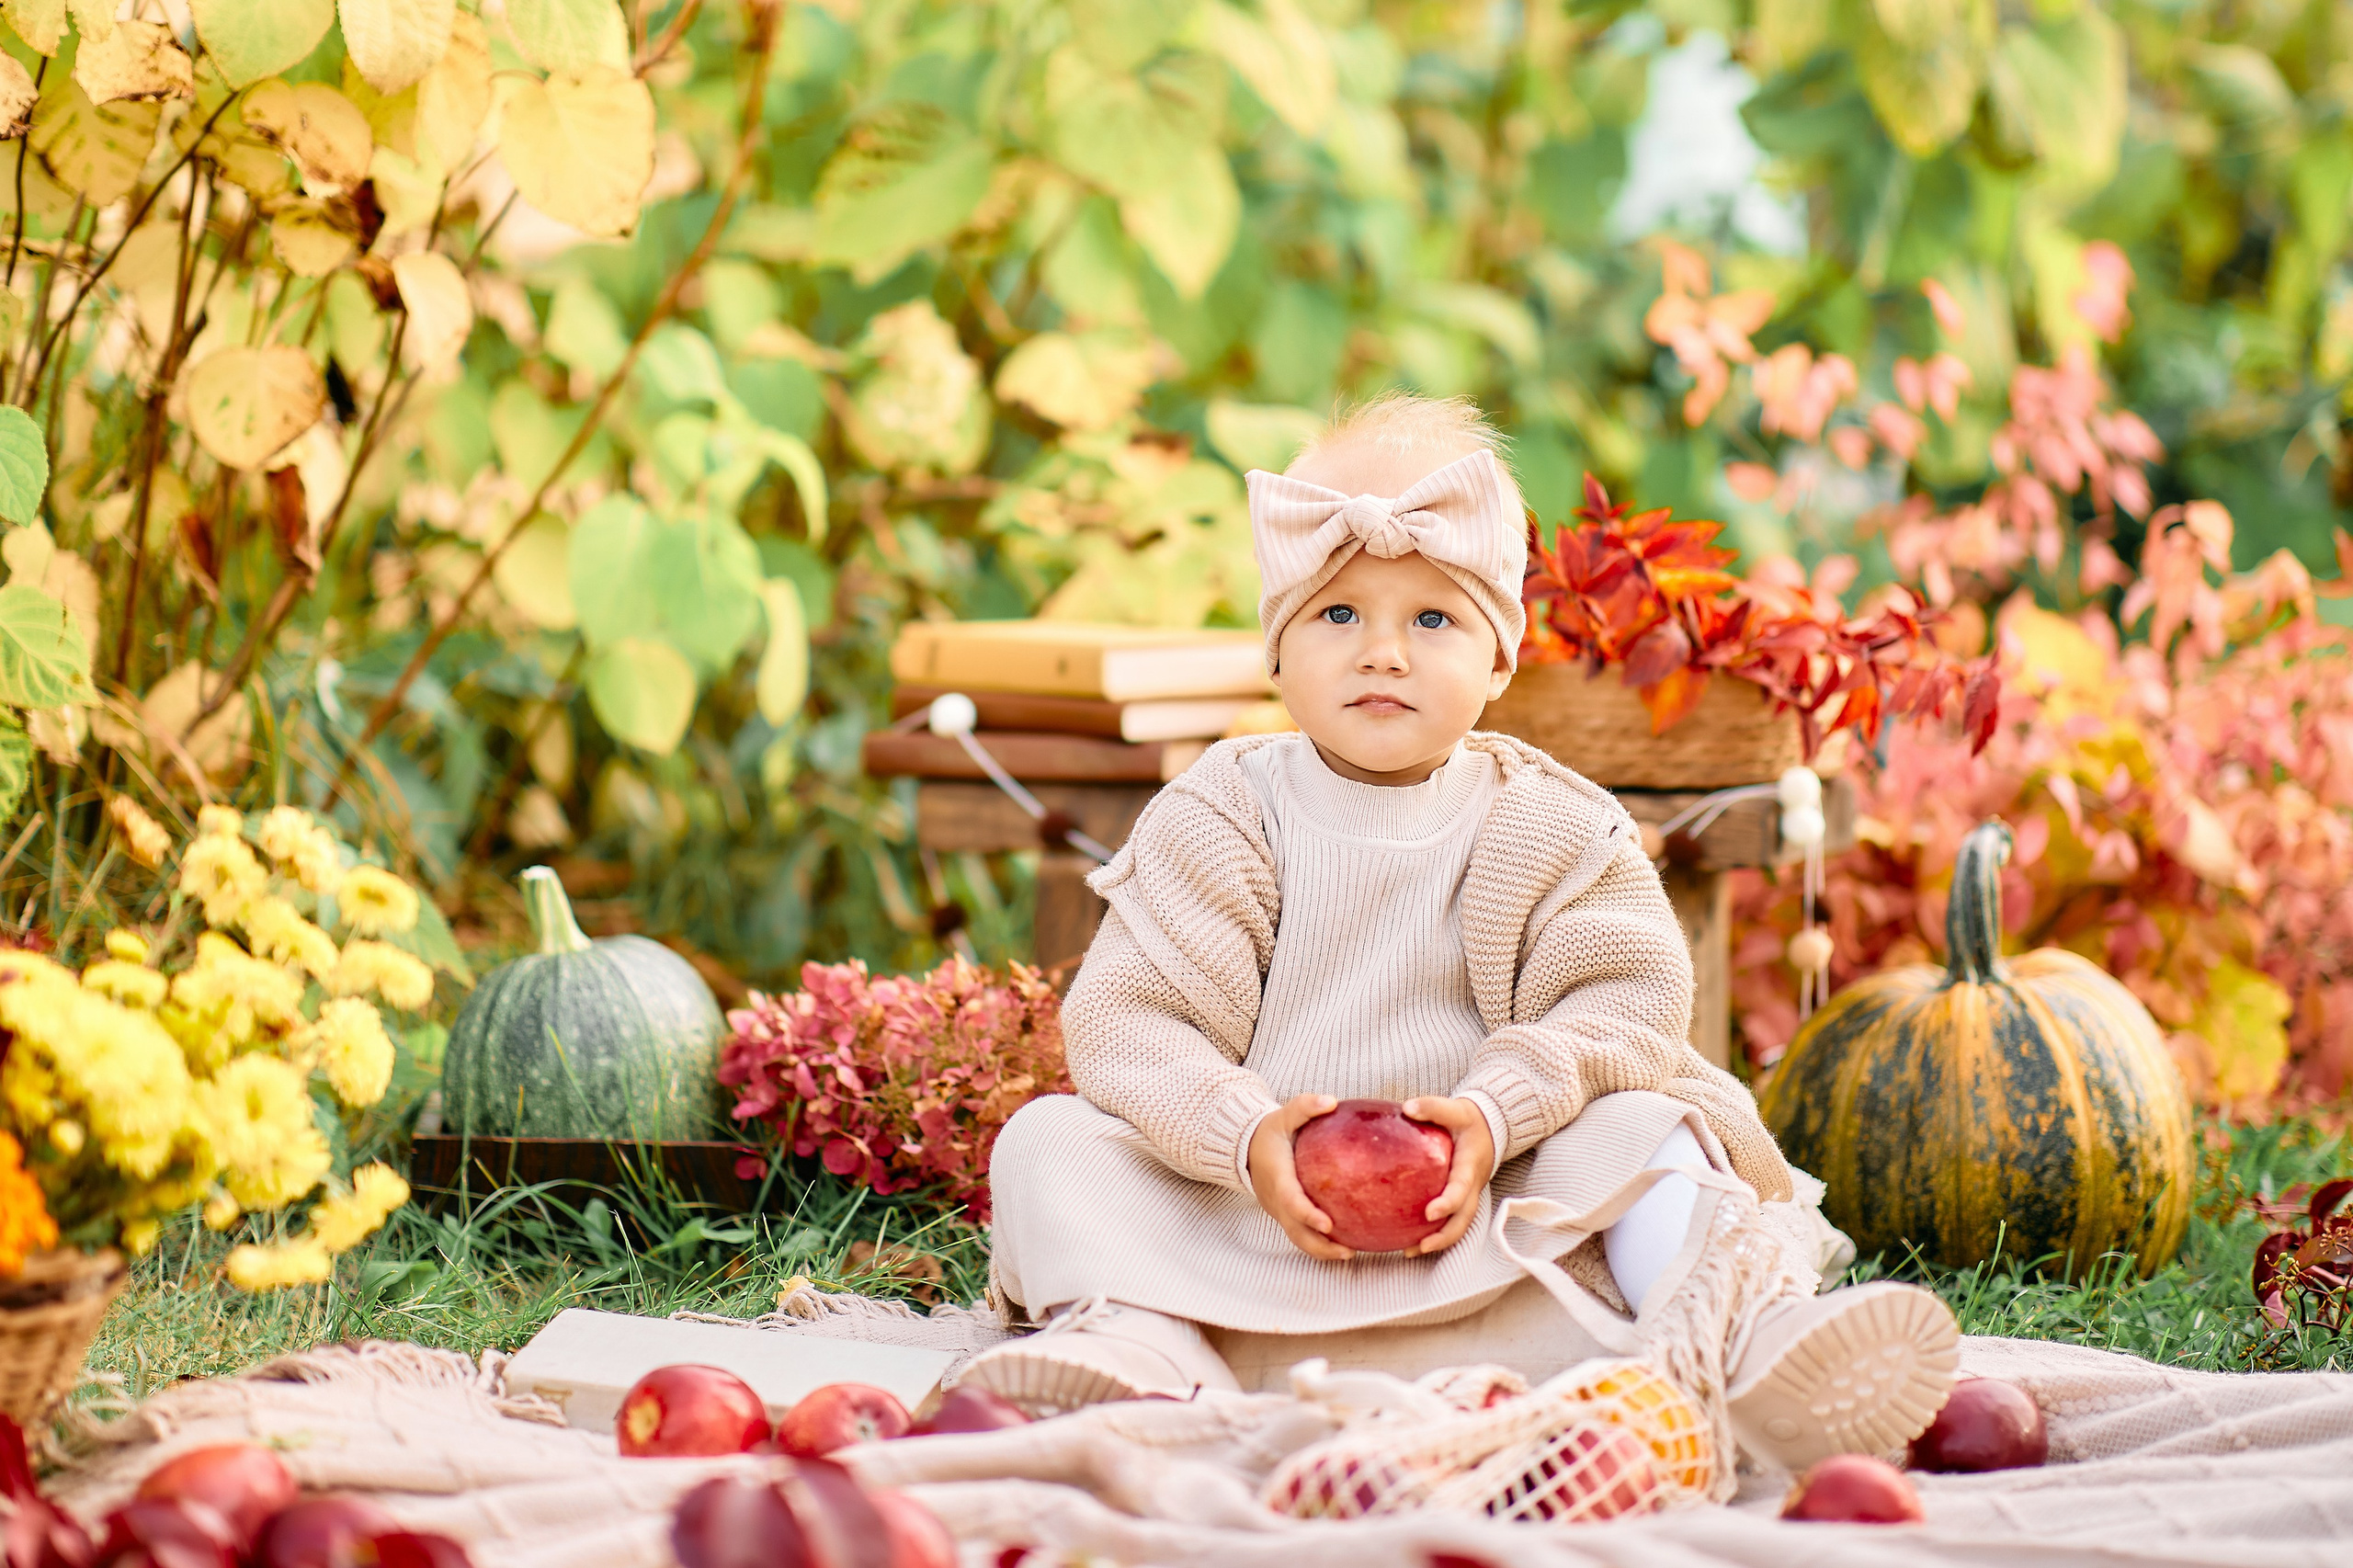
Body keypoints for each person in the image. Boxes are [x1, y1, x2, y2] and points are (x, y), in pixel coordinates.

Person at [960, 395, 1957, 1475]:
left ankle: (1736, 1335)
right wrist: (1245, 1135)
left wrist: (1497, 1108)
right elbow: (1134, 1020)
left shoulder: (1548, 820)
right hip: (1246, 1215)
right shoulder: (1225, 811)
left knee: (1654, 1126)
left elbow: (1625, 1001)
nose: (1382, 653)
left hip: (1499, 1215)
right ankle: (1139, 1345)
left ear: (1497, 661)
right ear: (1277, 653)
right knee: (1051, 1144)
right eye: (1338, 616)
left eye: (1431, 620)